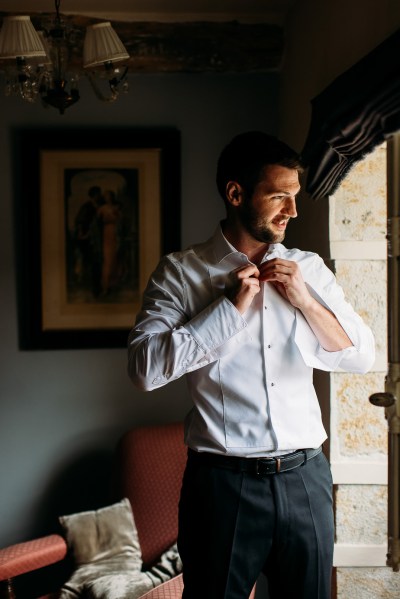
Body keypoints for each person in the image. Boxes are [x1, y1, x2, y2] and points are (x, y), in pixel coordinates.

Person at [127, 132, 375, 599]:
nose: (292, 212)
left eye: (295, 197)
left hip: (306, 480)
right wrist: (227, 311)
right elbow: (144, 370)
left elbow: (361, 357)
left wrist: (307, 302)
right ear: (236, 193)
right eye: (279, 196)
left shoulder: (311, 270)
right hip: (222, 487)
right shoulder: (180, 274)